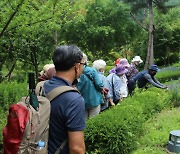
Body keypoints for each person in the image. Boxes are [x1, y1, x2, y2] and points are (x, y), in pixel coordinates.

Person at [44, 45, 86, 154]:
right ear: (77, 66)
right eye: (83, 64)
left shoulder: (40, 87)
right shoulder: (74, 99)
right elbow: (77, 149)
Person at [77, 54, 104, 119]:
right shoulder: (92, 70)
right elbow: (99, 85)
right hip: (94, 100)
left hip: (81, 101)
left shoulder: (74, 71)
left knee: (83, 122)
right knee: (93, 121)